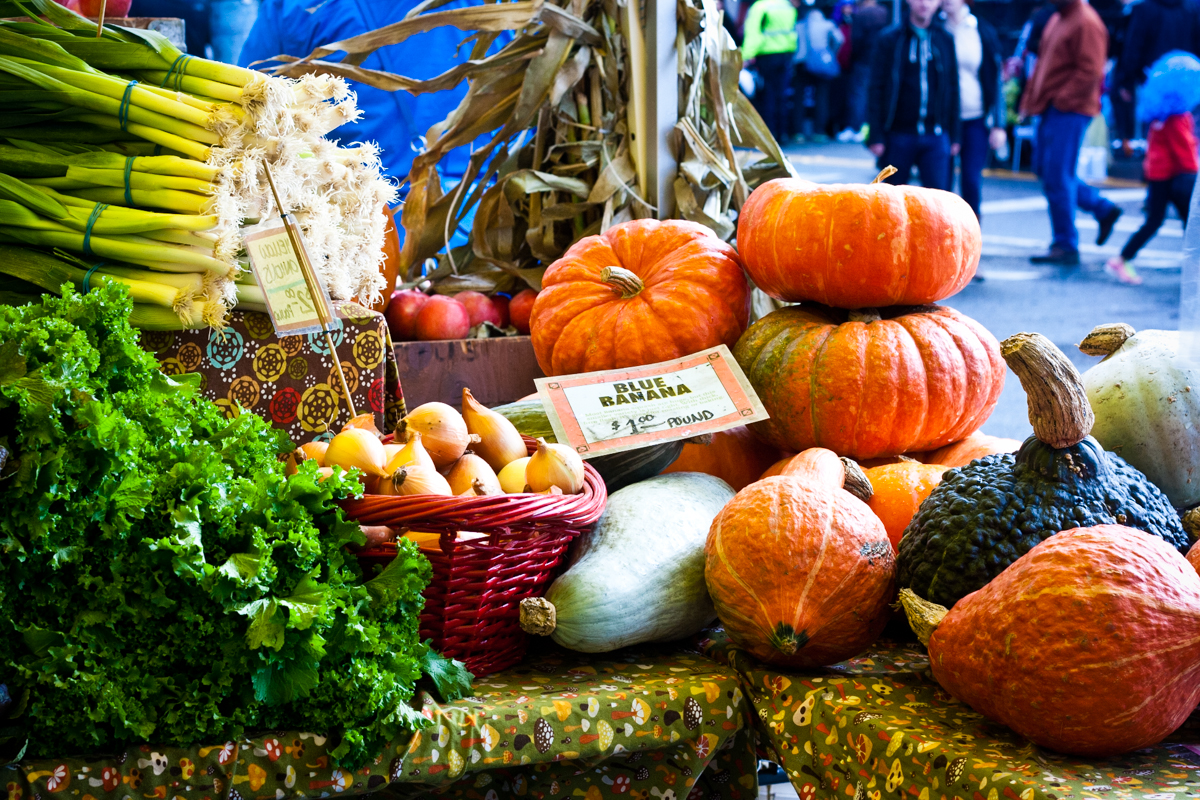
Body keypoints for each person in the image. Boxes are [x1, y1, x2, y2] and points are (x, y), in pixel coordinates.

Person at [239, 0, 489, 186]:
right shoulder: (492, 9)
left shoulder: (297, 9)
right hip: (482, 210)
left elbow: (246, 112)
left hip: (362, 215)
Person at [1020, 0, 1123, 265]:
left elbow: (1091, 71)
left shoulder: (1086, 21)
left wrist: (1059, 100)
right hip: (1053, 108)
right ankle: (1101, 208)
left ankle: (1065, 243)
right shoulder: (1059, 17)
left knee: (1057, 174)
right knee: (1047, 170)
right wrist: (1031, 101)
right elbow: (1042, 65)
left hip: (1069, 110)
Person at [866, 0, 961, 190]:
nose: (924, 3)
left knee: (937, 200)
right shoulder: (889, 39)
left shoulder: (945, 39)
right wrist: (875, 135)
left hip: (936, 135)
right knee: (891, 199)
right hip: (898, 135)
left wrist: (955, 135)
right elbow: (876, 87)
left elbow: (953, 87)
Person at [1105, 112, 1198, 284]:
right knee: (1188, 223)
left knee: (1157, 220)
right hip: (1175, 176)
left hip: (1158, 174)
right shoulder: (1176, 117)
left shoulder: (1159, 116)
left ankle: (1122, 259)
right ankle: (1194, 265)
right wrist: (1194, 170)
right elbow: (1183, 148)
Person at [941, 0, 1005, 218]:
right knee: (940, 185)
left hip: (975, 116)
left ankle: (973, 232)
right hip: (942, 119)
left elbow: (995, 79)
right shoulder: (935, 28)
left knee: (971, 180)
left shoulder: (980, 29)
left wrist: (999, 124)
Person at [1114, 0, 1200, 139]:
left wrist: (1126, 82)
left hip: (1153, 82)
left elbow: (1133, 47)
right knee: (1185, 132)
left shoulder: (1144, 8)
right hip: (1185, 83)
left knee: (1155, 132)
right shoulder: (1191, 8)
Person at [742, 0, 800, 142]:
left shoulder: (760, 7)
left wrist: (745, 56)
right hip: (786, 54)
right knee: (782, 95)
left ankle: (769, 133)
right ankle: (782, 133)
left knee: (768, 95)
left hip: (767, 55)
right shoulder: (787, 6)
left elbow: (753, 35)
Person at [793, 4, 844, 141]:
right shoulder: (828, 25)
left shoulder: (798, 25)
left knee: (799, 98)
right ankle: (819, 131)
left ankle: (798, 132)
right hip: (821, 63)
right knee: (822, 97)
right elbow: (840, 39)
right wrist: (831, 54)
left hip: (801, 63)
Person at [840, 0, 889, 141]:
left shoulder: (861, 15)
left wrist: (853, 57)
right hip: (880, 59)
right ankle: (869, 127)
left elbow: (856, 40)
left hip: (863, 59)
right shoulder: (885, 13)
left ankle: (856, 127)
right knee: (876, 93)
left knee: (858, 94)